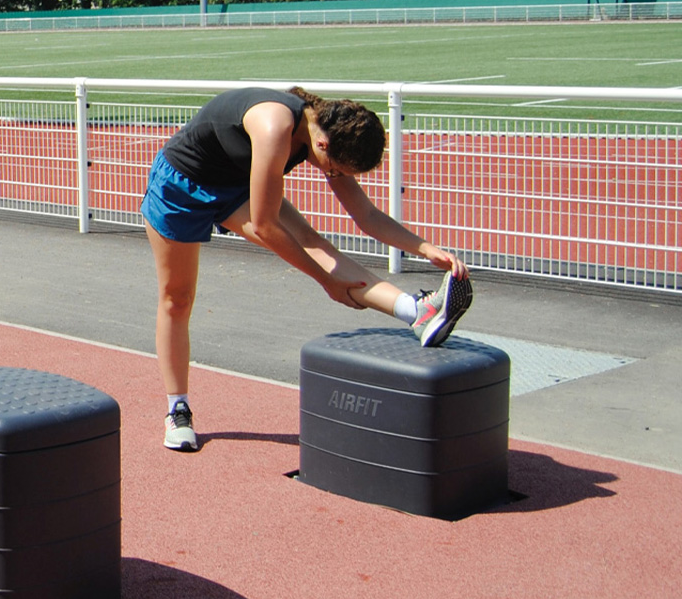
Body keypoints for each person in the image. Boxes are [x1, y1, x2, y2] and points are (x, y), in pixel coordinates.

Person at [142, 87, 471, 452]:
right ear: (324, 146)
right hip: (180, 185)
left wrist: (425, 249)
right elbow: (265, 226)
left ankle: (417, 311)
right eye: (335, 170)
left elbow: (365, 214)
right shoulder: (274, 127)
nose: (332, 175)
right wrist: (325, 281)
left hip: (235, 184)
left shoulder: (326, 135)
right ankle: (177, 408)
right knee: (177, 299)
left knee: (316, 244)